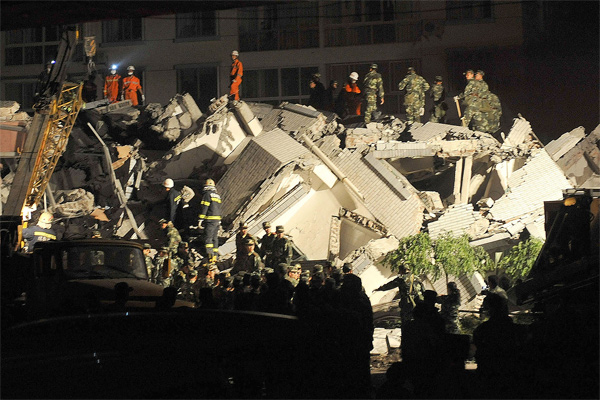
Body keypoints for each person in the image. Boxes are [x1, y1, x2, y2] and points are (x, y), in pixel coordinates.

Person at [197, 178, 221, 262]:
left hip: (210, 220)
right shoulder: (217, 195)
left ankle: (210, 256)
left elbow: (204, 207)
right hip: (217, 220)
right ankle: (215, 255)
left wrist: (200, 219)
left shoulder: (207, 195)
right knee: (215, 238)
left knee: (208, 238)